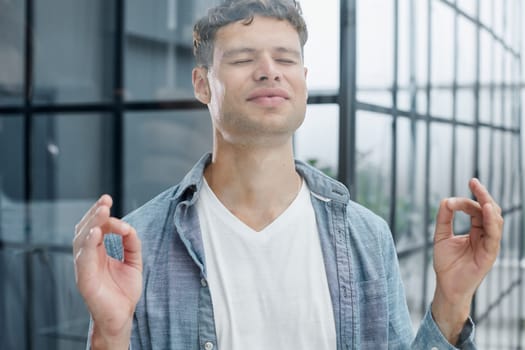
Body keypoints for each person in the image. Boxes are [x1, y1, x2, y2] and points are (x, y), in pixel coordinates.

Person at [73, 0, 504, 349]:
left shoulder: (366, 237)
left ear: (303, 81)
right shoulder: (137, 242)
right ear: (202, 85)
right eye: (243, 58)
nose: (269, 70)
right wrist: (109, 335)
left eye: (285, 58)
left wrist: (451, 301)